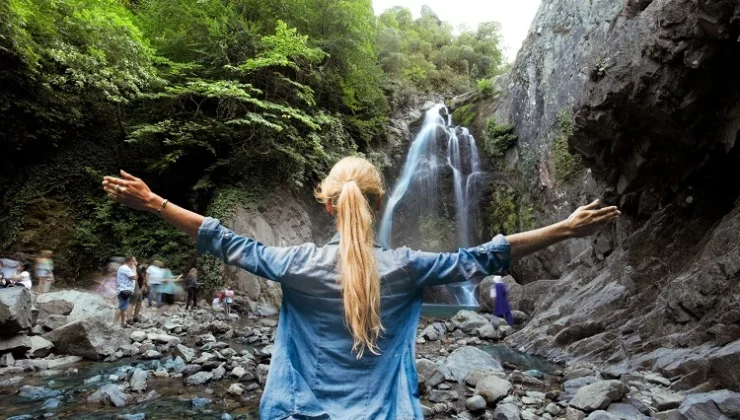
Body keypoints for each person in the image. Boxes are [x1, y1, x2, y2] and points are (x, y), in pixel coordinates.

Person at [102, 158, 620, 419]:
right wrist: (565, 228)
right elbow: (484, 257)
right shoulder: (408, 267)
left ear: (328, 204)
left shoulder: (294, 263)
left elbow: (224, 240)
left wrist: (154, 203)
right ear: (373, 205)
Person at [114, 256, 137, 328]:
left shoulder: (123, 267)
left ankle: (123, 323)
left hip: (123, 289)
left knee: (123, 307)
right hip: (124, 290)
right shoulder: (125, 268)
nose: (135, 262)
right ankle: (114, 324)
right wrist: (134, 268)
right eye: (134, 260)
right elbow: (134, 277)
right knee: (121, 307)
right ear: (130, 261)